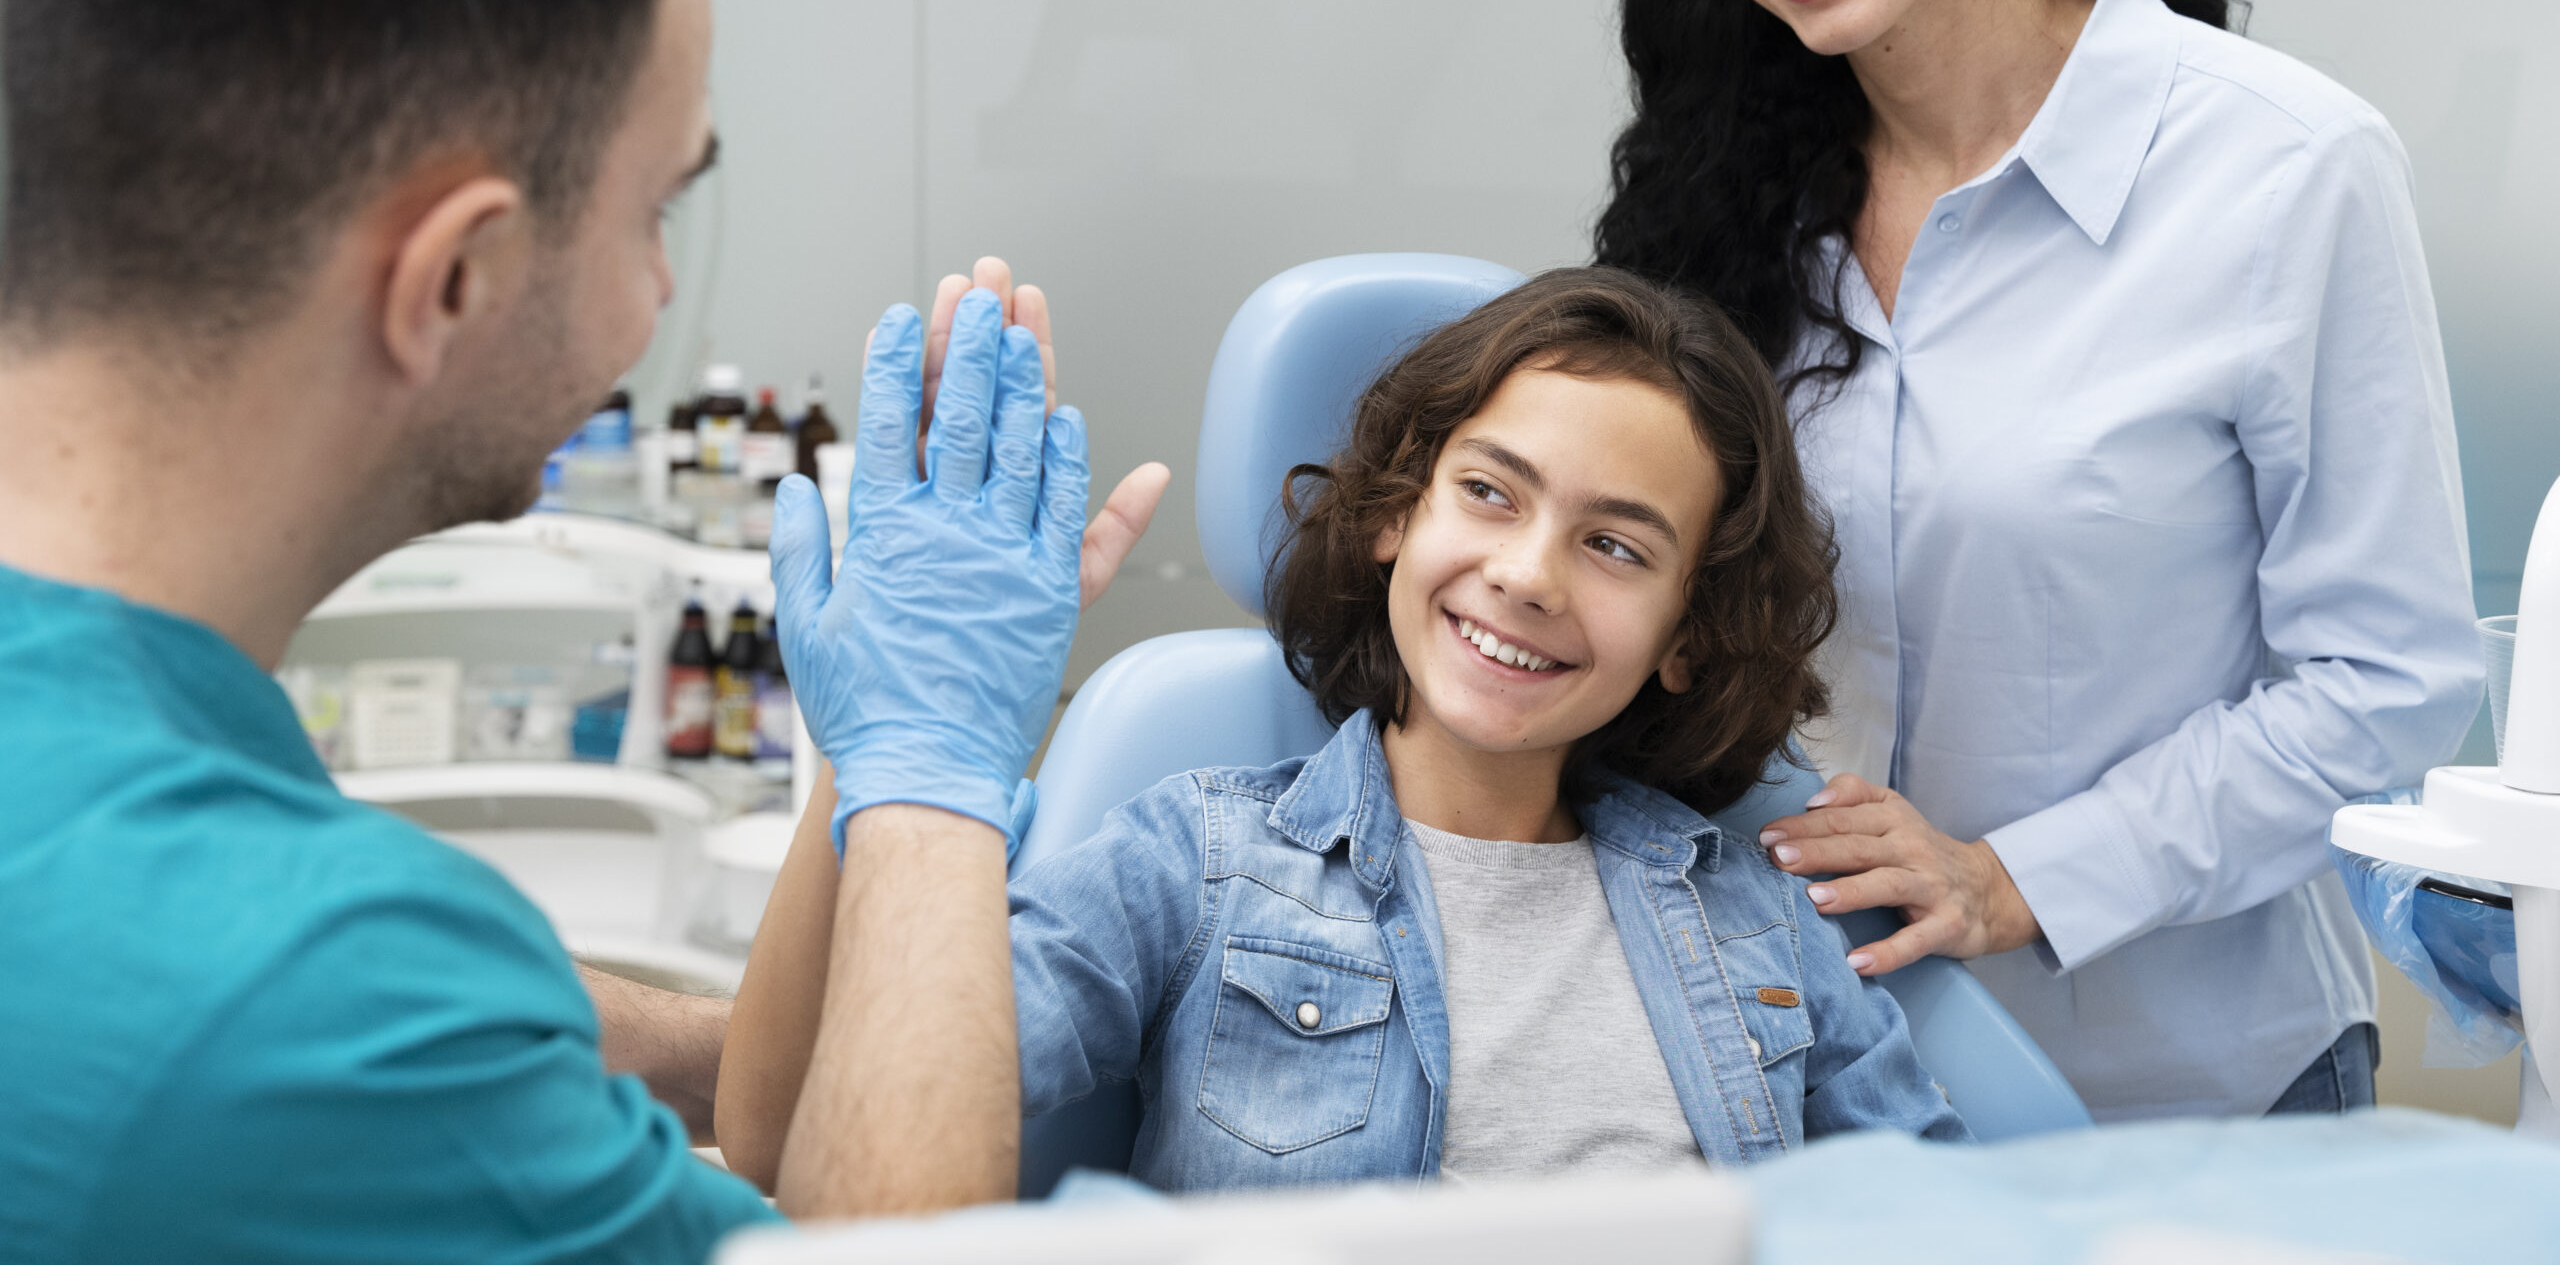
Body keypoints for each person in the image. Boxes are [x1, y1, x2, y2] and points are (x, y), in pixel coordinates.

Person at [0, 0, 1159, 1257]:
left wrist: (692, 1041)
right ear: (454, 277)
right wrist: (932, 782)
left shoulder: (169, 836)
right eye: (656, 206)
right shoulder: (303, 1000)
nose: (661, 292)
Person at [1589, 0, 2479, 1121]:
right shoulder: (1722, 213)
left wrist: (2018, 879)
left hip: (2189, 1097)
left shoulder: (2286, 166)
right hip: (1805, 1084)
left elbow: (2388, 682)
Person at [717, 268, 1969, 1192]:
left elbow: (1945, 1225)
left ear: (1686, 634)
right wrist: (886, 749)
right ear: (1391, 515)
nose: (1530, 574)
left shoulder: (1750, 910)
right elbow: (793, 1143)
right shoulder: (1197, 865)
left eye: (1614, 545)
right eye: (1488, 492)